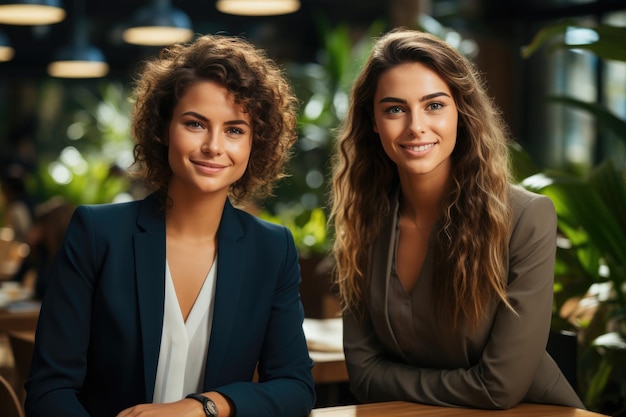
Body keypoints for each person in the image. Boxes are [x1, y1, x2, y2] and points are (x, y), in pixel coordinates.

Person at [25, 34, 316, 417]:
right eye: (195, 124)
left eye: (234, 130)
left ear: (254, 144)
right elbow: (50, 390)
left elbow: (295, 387)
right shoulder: (98, 234)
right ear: (164, 129)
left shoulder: (271, 248)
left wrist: (204, 407)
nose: (214, 146)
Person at [329, 28, 585, 410]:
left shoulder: (526, 217)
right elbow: (363, 377)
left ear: (461, 112)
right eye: (395, 109)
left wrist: (393, 379)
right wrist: (463, 385)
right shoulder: (364, 223)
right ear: (373, 121)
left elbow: (500, 388)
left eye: (434, 105)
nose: (416, 126)